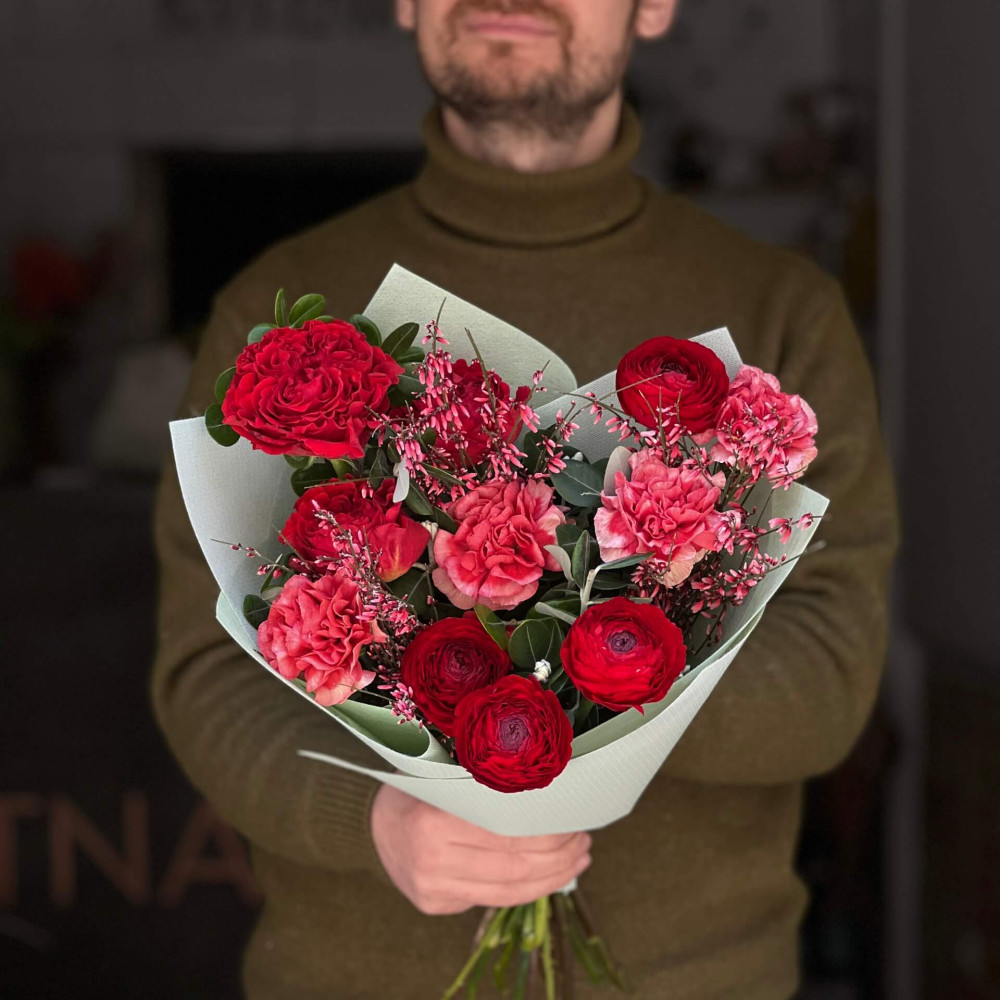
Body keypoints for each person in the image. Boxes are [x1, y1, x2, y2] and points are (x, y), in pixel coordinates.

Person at [151, 1, 899, 997]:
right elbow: (208, 668)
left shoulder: (781, 309)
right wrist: (369, 819)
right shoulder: (282, 323)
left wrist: (594, 671)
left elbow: (830, 674)